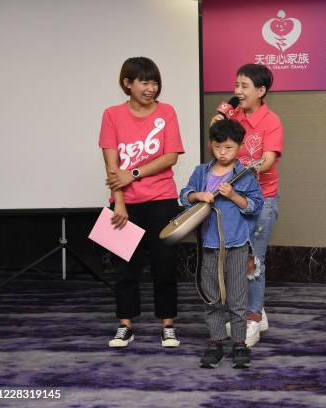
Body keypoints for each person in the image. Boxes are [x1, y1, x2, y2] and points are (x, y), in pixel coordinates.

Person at [99, 57, 184, 348]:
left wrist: (132, 173)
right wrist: (118, 203)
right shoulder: (111, 114)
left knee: (165, 266)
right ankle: (125, 325)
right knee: (125, 268)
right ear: (127, 83)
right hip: (124, 204)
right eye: (145, 82)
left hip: (162, 198)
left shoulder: (167, 111)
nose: (151, 88)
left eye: (154, 82)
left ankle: (168, 325)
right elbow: (111, 165)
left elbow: (170, 156)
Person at [180, 119, 264, 369]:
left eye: (229, 147)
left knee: (238, 298)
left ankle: (239, 343)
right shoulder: (201, 172)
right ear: (210, 145)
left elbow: (255, 206)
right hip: (209, 246)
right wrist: (198, 195)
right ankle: (216, 341)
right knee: (212, 297)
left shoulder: (245, 175)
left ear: (238, 147)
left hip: (237, 245)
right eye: (218, 147)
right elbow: (184, 195)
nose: (223, 153)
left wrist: (234, 195)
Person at [211, 63, 283, 347]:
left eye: (244, 86)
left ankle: (251, 318)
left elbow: (268, 160)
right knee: (238, 258)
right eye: (236, 85)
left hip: (262, 198)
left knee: (254, 261)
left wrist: (242, 170)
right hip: (232, 197)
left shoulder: (271, 120)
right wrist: (217, 123)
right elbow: (217, 148)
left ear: (261, 90)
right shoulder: (232, 115)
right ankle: (257, 311)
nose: (237, 92)